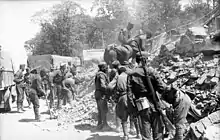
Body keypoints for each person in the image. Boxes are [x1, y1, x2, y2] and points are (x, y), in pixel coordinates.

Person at [127, 52, 172, 140]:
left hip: (141, 106)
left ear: (137, 60)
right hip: (154, 104)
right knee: (158, 133)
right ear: (145, 60)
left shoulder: (132, 74)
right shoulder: (151, 71)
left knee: (145, 134)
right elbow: (162, 88)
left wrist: (133, 109)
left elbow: (129, 94)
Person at [109, 66, 141, 140]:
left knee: (124, 118)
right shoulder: (131, 76)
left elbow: (110, 87)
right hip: (131, 97)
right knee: (134, 116)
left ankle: (126, 136)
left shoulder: (118, 77)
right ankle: (138, 134)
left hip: (122, 98)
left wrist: (112, 95)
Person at [94, 62, 112, 131]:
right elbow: (102, 85)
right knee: (104, 109)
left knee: (100, 110)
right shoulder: (101, 75)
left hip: (97, 93)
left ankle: (99, 124)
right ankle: (105, 125)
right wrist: (108, 90)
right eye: (106, 68)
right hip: (101, 94)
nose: (107, 69)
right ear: (103, 68)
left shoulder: (98, 74)